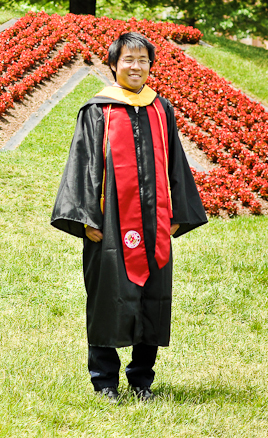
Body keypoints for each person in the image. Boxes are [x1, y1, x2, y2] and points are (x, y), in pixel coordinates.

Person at [51, 31, 207, 403]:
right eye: (128, 60)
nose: (136, 67)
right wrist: (85, 218)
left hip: (155, 224)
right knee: (107, 298)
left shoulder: (160, 108)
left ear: (150, 67)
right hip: (108, 225)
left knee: (151, 298)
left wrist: (177, 216)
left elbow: (176, 165)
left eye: (142, 61)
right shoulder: (97, 109)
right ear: (113, 64)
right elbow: (83, 164)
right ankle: (104, 381)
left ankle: (142, 381)